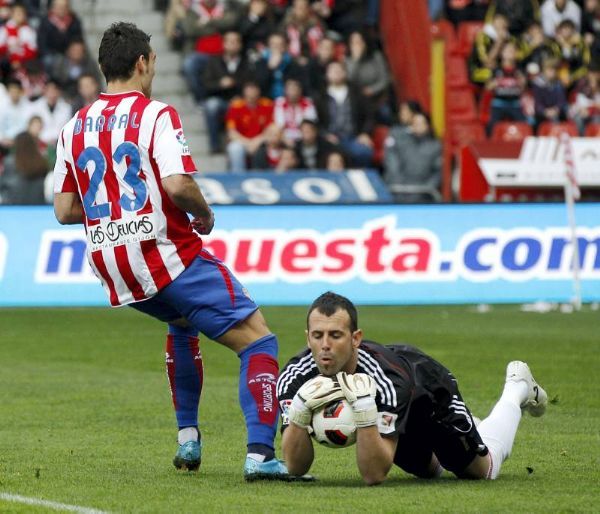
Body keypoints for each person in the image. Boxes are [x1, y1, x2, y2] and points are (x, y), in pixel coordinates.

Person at [52, 21, 292, 482]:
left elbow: (63, 209)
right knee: (259, 340)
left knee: (181, 324)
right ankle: (261, 456)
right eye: (153, 63)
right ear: (143, 62)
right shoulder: (156, 115)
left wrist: (117, 212)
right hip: (165, 253)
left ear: (104, 68)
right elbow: (178, 185)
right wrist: (205, 215)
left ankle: (188, 440)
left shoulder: (74, 126)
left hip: (113, 265)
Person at [276, 292, 548, 485]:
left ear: (355, 338)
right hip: (395, 408)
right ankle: (474, 423)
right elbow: (296, 468)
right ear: (307, 337)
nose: (325, 345)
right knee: (428, 471)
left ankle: (517, 387)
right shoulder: (293, 379)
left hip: (426, 394)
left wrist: (364, 409)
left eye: (335, 335)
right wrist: (299, 411)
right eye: (317, 335)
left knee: (480, 471)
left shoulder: (388, 380)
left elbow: (373, 475)